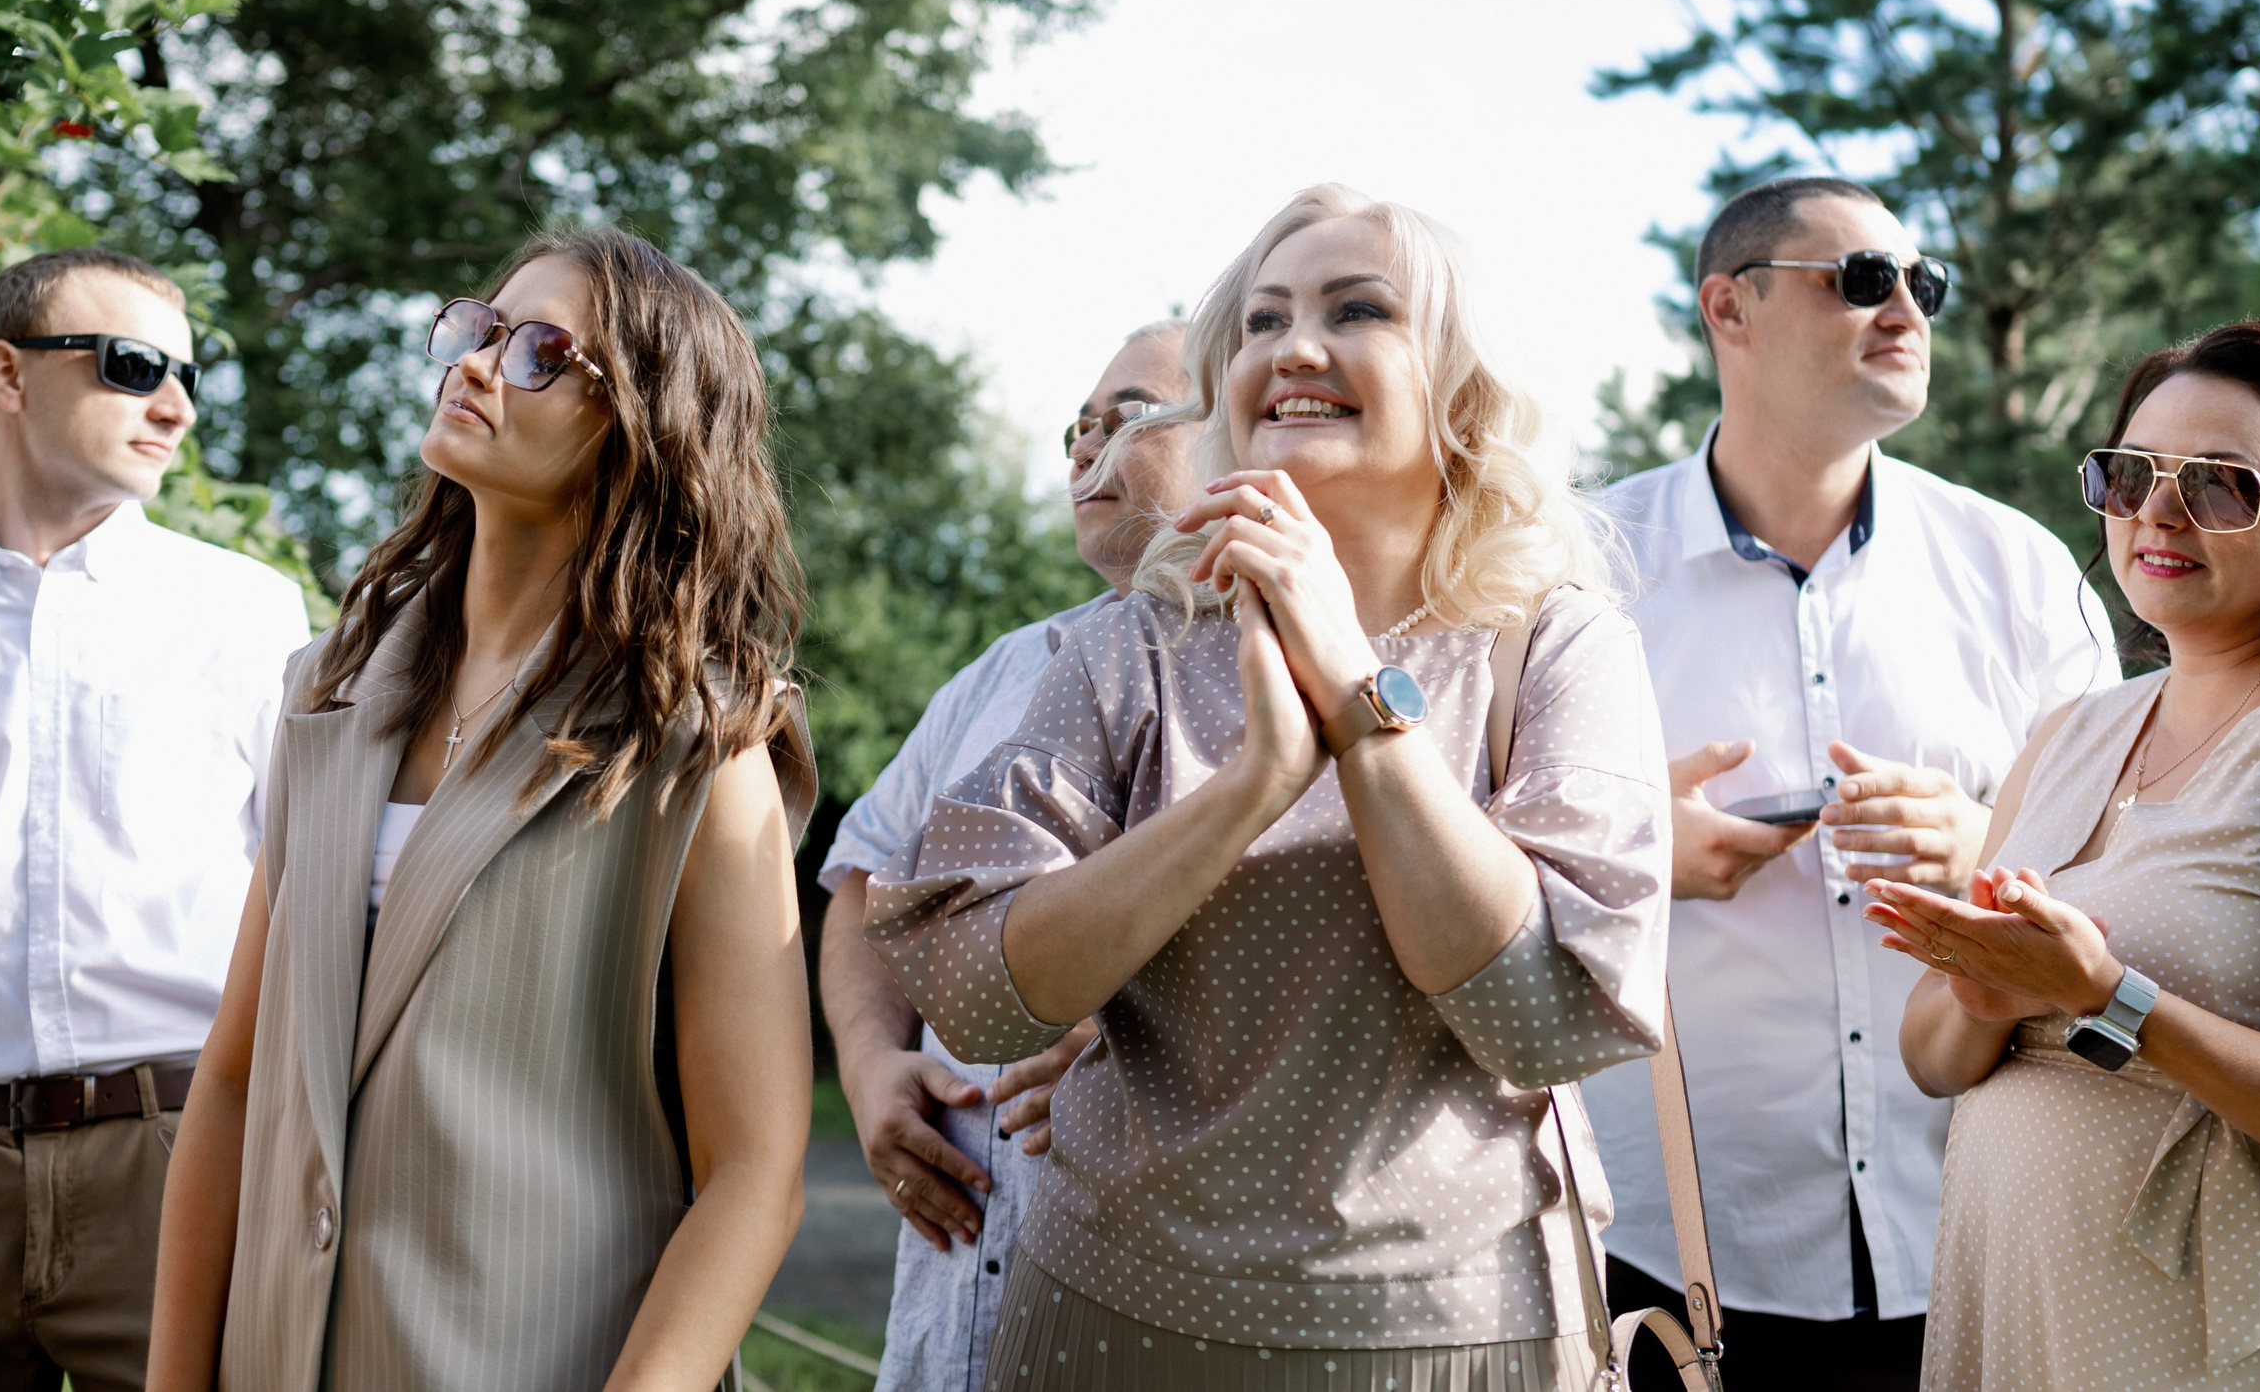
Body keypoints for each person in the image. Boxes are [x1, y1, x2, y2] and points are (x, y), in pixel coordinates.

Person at [867, 183, 1671, 1390]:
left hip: (1451, 1335)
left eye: (1358, 310)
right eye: (1259, 320)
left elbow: (1541, 1013)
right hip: (1104, 1318)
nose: (1293, 347)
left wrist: (1359, 698)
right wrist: (1247, 786)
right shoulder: (1128, 645)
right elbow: (979, 993)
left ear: (1460, 388)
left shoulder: (1555, 645)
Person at [145, 228, 819, 1392]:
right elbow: (237, 1080)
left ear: (643, 428)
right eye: (481, 327)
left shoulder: (697, 746)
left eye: (542, 352)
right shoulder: (327, 691)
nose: (475, 363)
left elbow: (756, 1168)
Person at [1577, 177, 2116, 1390]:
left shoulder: (2023, 571)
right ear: (1731, 308)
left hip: (1977, 1231)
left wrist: (1990, 839)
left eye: (1922, 285)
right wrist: (1627, 849)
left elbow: (2130, 875)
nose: (1906, 312)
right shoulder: (1576, 574)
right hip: (1673, 1250)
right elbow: (1449, 843)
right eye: (1864, 279)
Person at [1873, 321, 2260, 1391]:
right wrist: (1982, 990)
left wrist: (2113, 998)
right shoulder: (2067, 734)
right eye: (2128, 473)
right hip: (2016, 1314)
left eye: (2219, 484)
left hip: (2228, 1342)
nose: (2155, 510)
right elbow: (1928, 1059)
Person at [0, 249, 309, 1392]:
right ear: (7, 372)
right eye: (135, 367)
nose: (176, 406)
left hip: (176, 1156)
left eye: (187, 374)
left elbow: (317, 893)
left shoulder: (247, 614)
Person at [818, 319, 1199, 1392]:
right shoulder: (1001, 671)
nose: (1084, 449)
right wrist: (866, 1062)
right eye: (1075, 428)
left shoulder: (1303, 669)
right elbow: (863, 880)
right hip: (951, 1314)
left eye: (1126, 417)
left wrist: (1147, 1031)